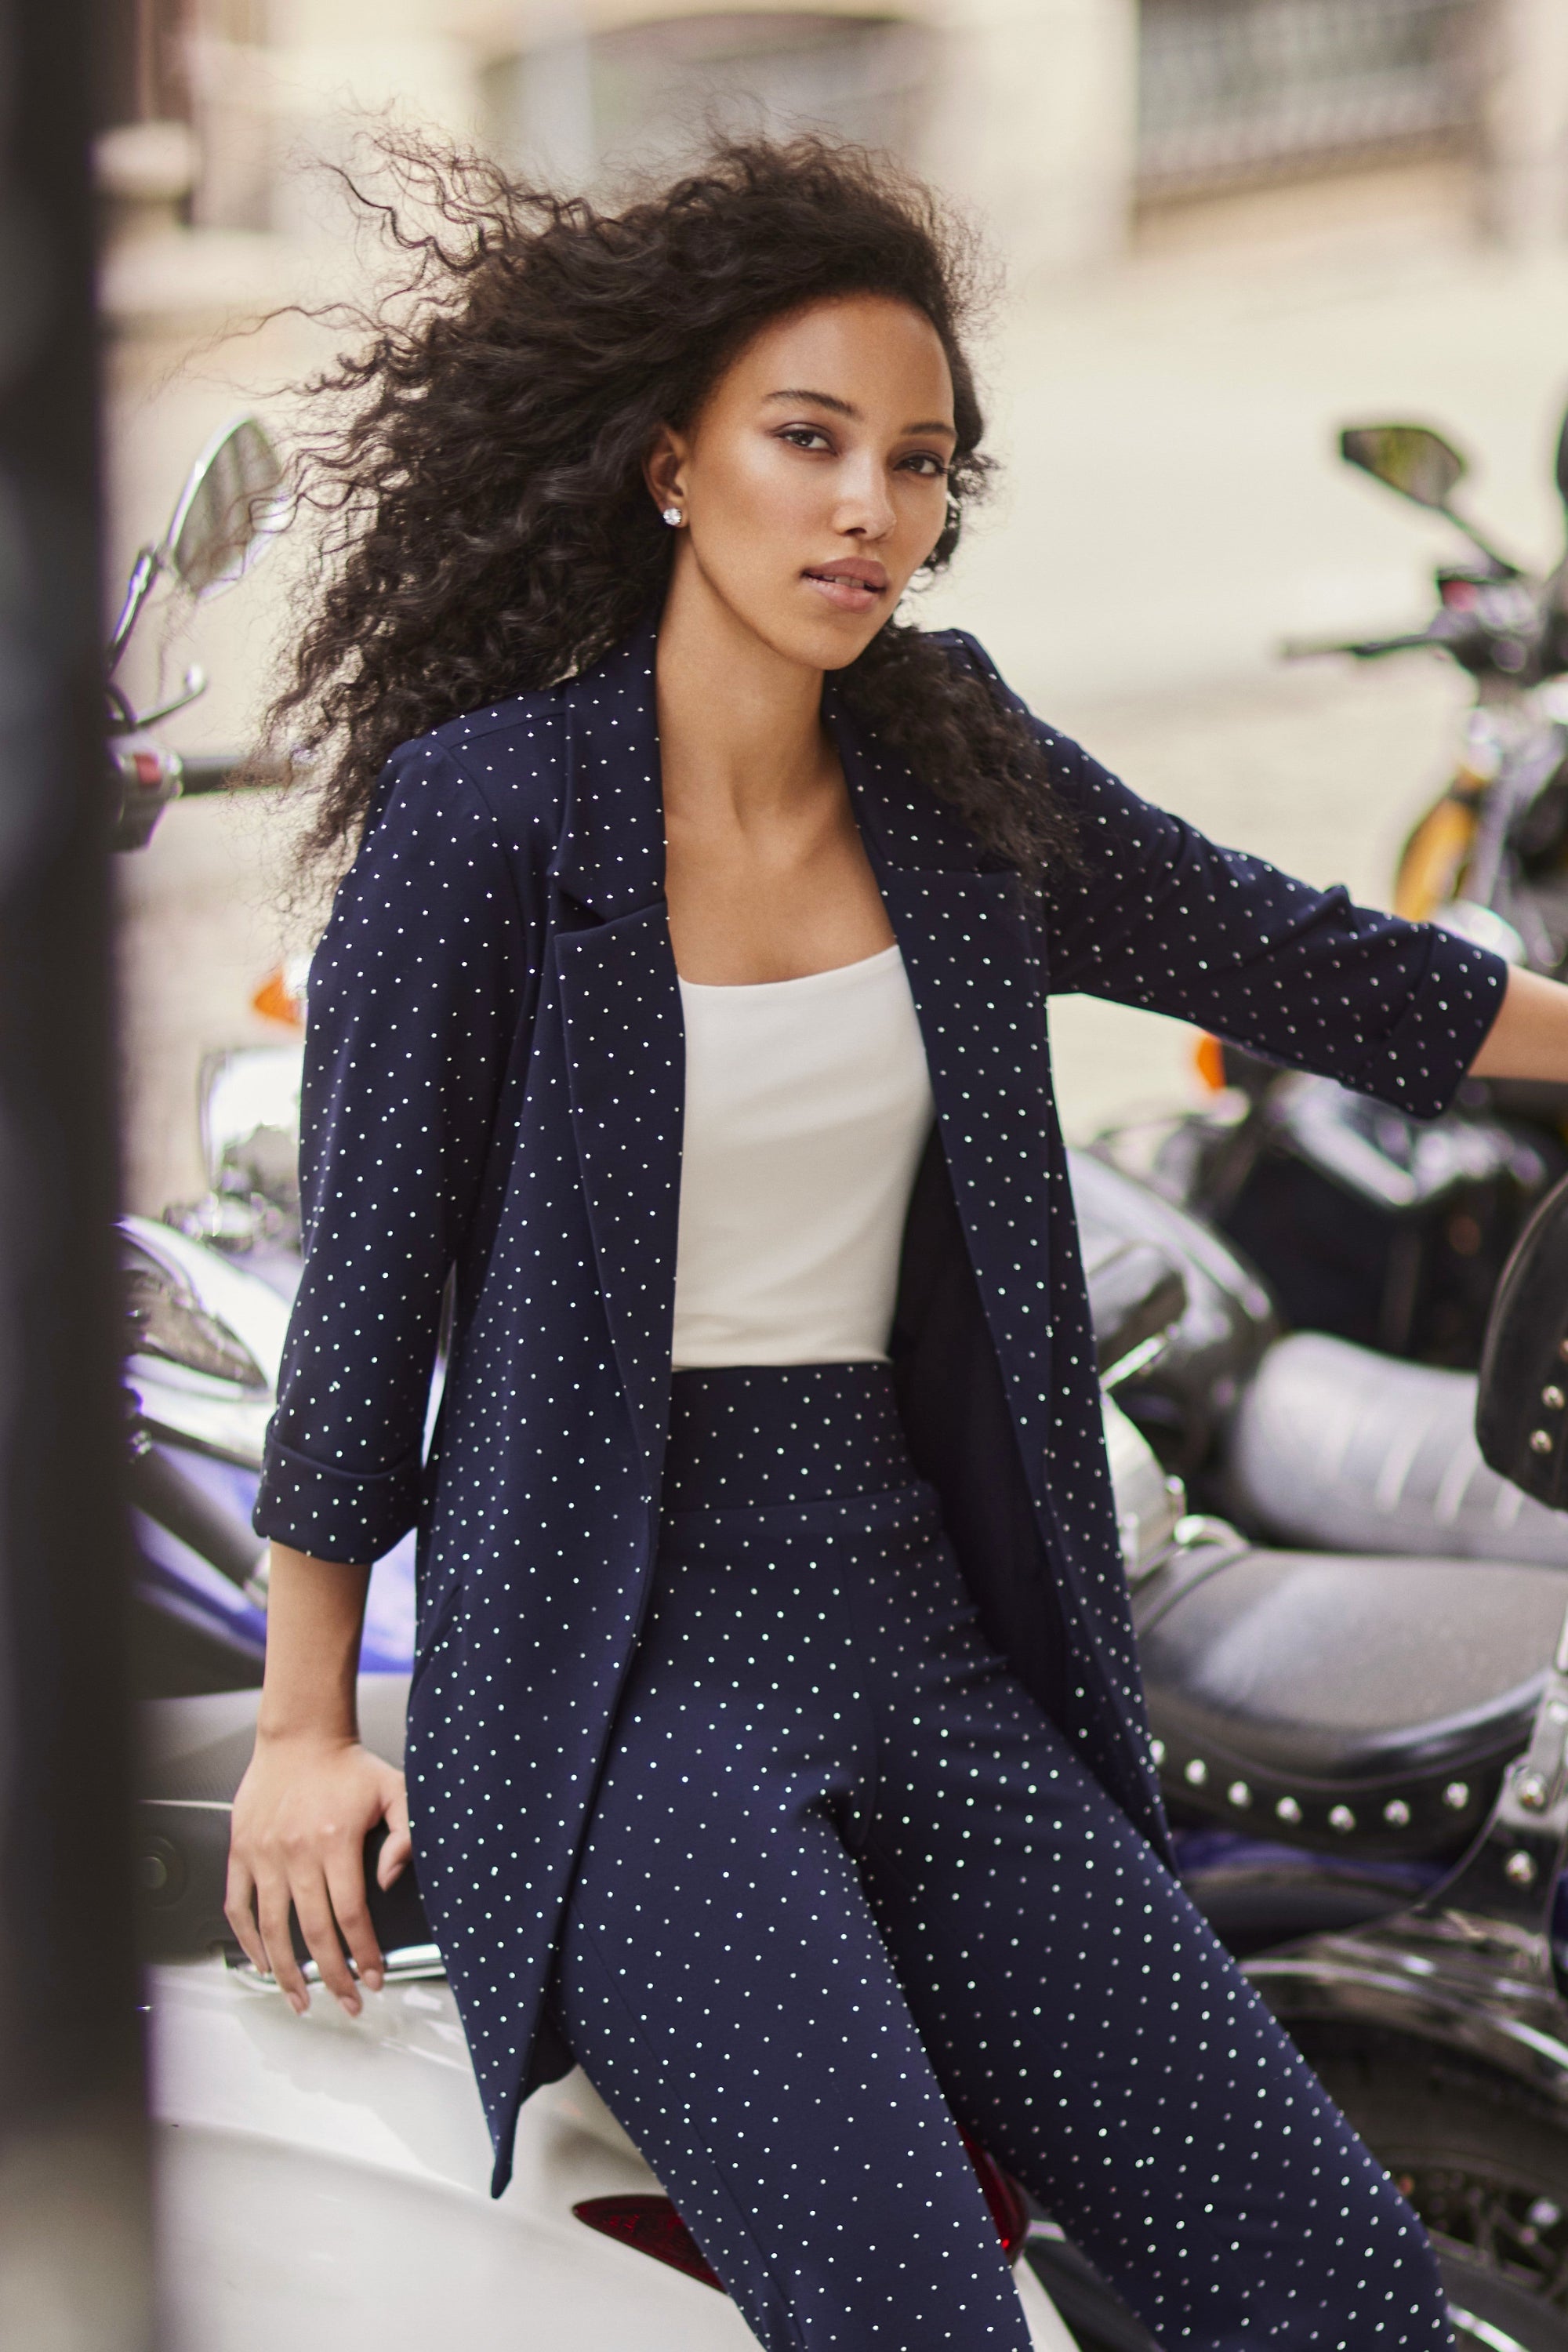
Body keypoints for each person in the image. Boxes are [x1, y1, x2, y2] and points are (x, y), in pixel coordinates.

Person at [225, 135, 1567, 2350]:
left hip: (915, 1616)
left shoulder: (953, 773)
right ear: (673, 462)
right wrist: (305, 1725)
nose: (868, 506)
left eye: (919, 462)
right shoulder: (492, 820)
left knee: (1328, 2282)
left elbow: (1311, 963)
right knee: (919, 2319)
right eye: (808, 440)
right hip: (620, 1677)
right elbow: (360, 1307)